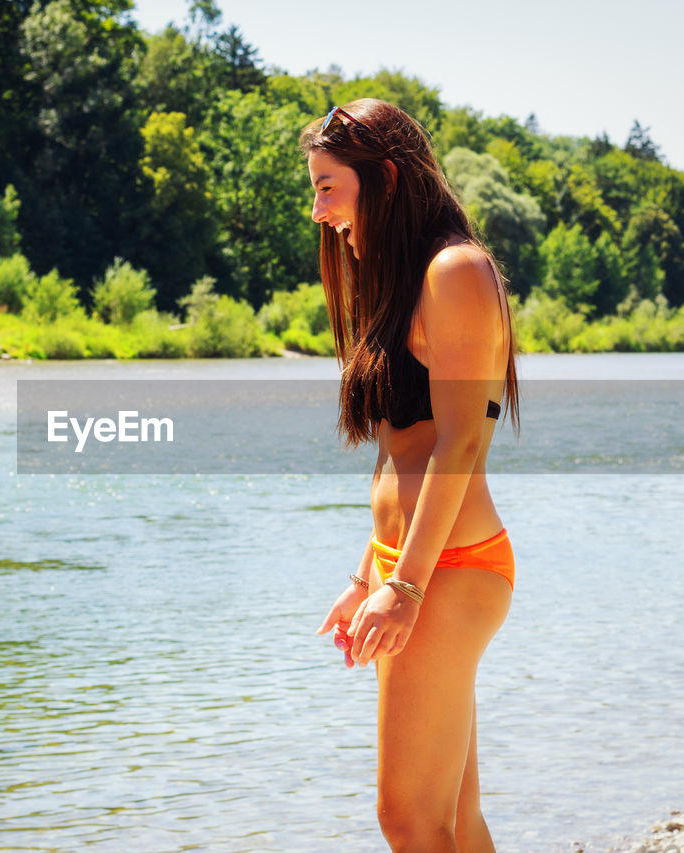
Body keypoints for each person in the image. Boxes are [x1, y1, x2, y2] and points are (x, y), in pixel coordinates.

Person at [305, 99, 521, 852]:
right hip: (414, 566)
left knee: (406, 818)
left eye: (328, 187)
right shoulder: (398, 284)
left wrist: (406, 587)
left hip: (451, 570)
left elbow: (461, 443)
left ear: (384, 178)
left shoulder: (455, 271)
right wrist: (369, 573)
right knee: (451, 821)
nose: (317, 210)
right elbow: (403, 451)